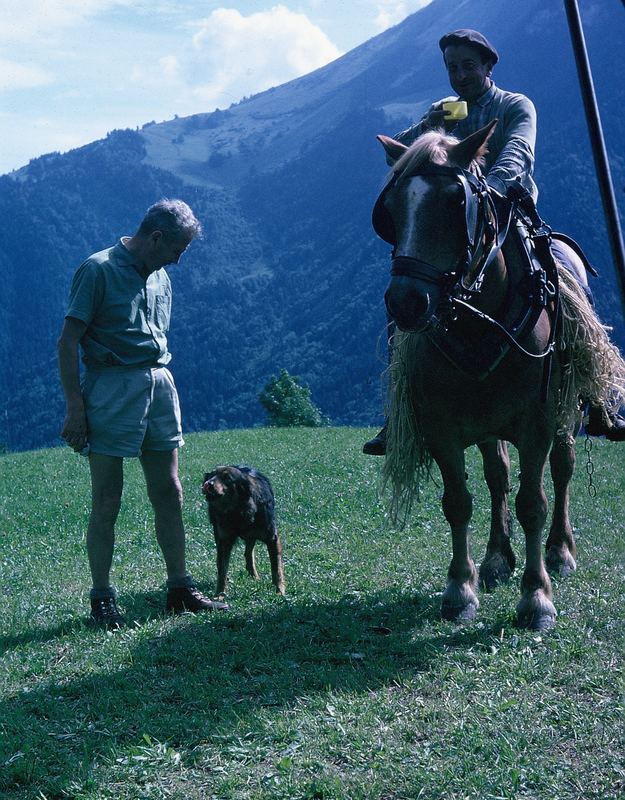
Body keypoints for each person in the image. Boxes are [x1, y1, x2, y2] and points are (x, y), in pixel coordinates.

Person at [363, 28, 624, 454]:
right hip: (453, 223)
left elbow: (518, 153)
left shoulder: (515, 105)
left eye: (468, 65)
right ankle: (400, 412)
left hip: (511, 214)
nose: (460, 74)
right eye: (452, 67)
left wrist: (488, 193)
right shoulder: (450, 111)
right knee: (408, 293)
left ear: (488, 67)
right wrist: (429, 123)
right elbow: (403, 151)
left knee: (569, 279)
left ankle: (595, 398)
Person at [58, 198, 228, 628]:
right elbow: (67, 342)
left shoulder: (160, 276)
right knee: (107, 498)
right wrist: (75, 407)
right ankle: (101, 596)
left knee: (170, 489)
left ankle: (179, 587)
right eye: (178, 248)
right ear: (156, 238)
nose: (179, 258)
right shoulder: (97, 269)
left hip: (158, 383)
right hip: (111, 388)